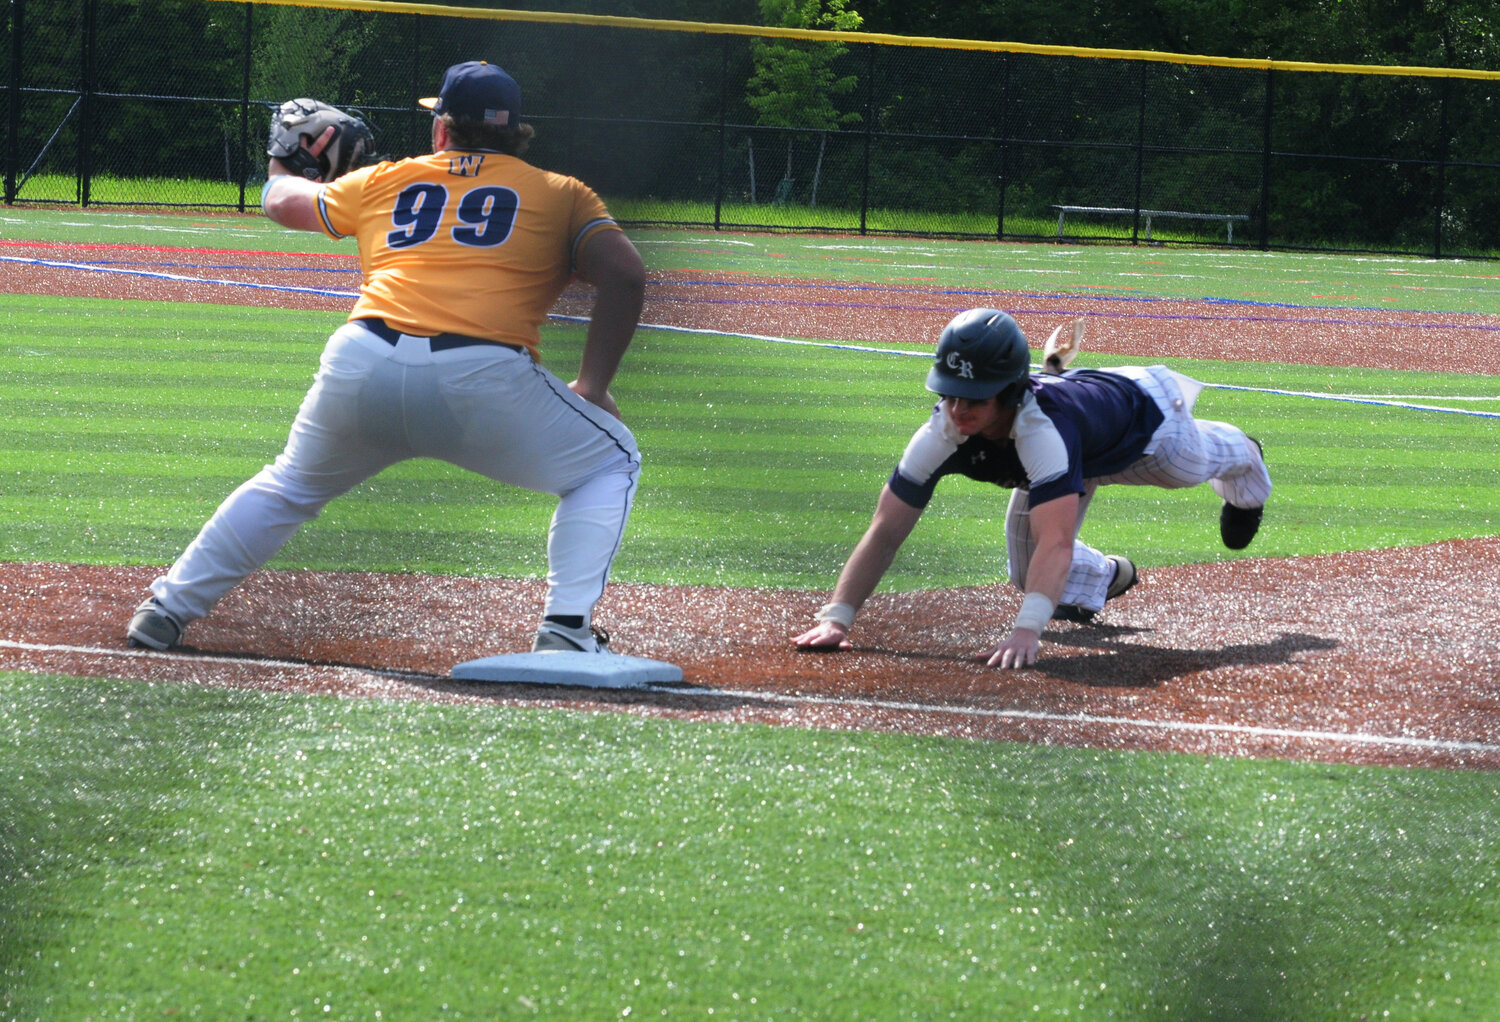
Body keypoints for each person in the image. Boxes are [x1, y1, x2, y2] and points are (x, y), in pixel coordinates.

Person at [126, 60, 646, 655]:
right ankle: (565, 631)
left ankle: (167, 607)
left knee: (288, 485)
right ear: (519, 133)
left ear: (442, 130)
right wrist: (593, 382)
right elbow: (626, 277)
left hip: (363, 360)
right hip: (483, 380)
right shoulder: (561, 195)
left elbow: (283, 203)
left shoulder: (388, 180)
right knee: (610, 462)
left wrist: (284, 162)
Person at [791, 307, 1271, 669]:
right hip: (1066, 455)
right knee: (1028, 573)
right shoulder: (943, 432)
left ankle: (1245, 451)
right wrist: (837, 616)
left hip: (1145, 429)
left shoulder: (1044, 431)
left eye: (975, 395)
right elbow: (885, 531)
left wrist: (1025, 632)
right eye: (949, 393)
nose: (959, 408)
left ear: (1008, 391)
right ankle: (1107, 576)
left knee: (1193, 466)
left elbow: (1056, 541)